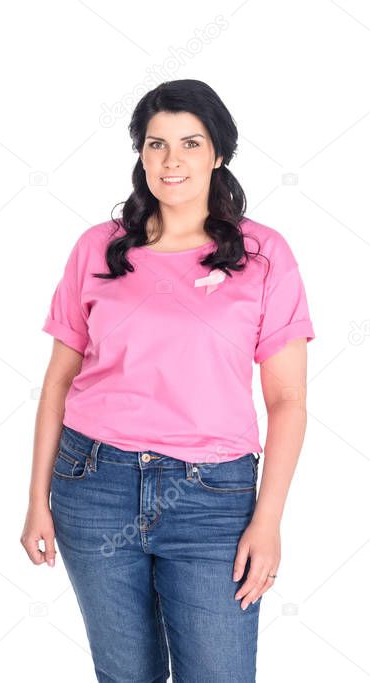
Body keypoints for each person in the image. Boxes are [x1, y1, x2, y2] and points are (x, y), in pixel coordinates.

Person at [20, 80, 314, 682]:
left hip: (215, 499)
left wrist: (268, 519)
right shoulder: (97, 249)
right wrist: (35, 502)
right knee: (126, 676)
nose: (171, 161)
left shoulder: (264, 255)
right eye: (156, 145)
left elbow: (287, 400)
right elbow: (56, 383)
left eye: (189, 143)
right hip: (94, 484)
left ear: (218, 155)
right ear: (140, 154)